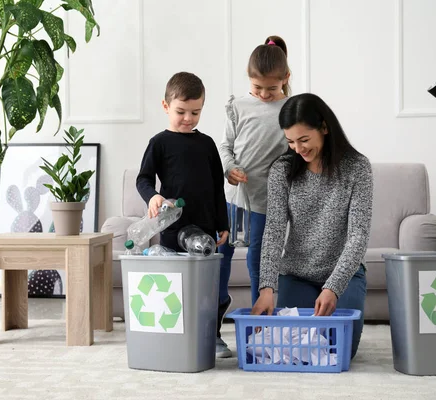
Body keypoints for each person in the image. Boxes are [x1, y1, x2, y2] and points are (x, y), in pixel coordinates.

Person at [251, 93, 373, 359]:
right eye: (291, 141)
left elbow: (358, 235)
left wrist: (334, 287)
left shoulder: (357, 168)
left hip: (344, 275)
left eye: (304, 139)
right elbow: (273, 232)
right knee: (294, 346)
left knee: (338, 349)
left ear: (324, 128)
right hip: (297, 274)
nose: (298, 148)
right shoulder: (282, 170)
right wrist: (267, 288)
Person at [216, 35, 291, 358]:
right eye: (257, 88)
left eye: (270, 90)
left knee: (259, 261)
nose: (263, 95)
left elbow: (295, 152)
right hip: (233, 198)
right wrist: (230, 167)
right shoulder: (237, 106)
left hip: (265, 202)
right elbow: (224, 146)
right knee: (220, 259)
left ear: (285, 81)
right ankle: (214, 330)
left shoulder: (290, 109)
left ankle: (264, 329)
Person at [136, 71, 229, 255]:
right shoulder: (159, 143)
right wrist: (153, 196)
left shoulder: (208, 144)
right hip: (172, 226)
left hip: (205, 227)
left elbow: (218, 187)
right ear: (166, 106)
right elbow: (143, 179)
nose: (188, 118)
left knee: (203, 278)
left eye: (195, 112)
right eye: (181, 111)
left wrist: (223, 223)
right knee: (174, 279)